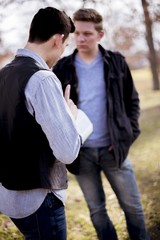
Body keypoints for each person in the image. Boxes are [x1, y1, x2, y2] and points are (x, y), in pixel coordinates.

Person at [53, 8, 150, 240]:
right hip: (82, 153)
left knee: (133, 209)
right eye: (76, 33)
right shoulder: (62, 67)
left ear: (100, 34)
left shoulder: (116, 62)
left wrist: (127, 136)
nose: (80, 38)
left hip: (114, 149)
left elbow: (132, 102)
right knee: (97, 212)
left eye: (87, 33)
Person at [0, 7, 93, 240]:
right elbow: (67, 151)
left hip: (10, 197)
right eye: (66, 46)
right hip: (39, 200)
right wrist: (71, 118)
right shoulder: (42, 78)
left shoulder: (4, 73)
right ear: (58, 40)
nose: (62, 52)